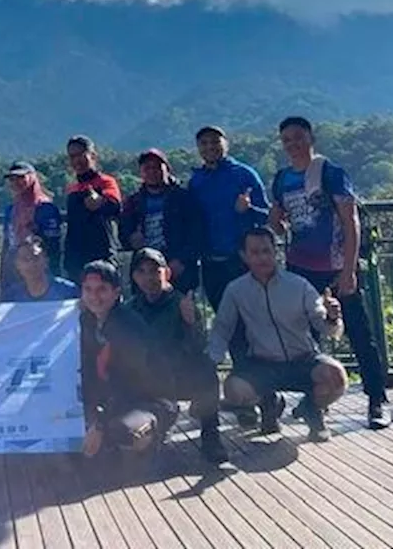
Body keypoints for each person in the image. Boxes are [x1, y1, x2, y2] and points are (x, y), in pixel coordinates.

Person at [269, 116, 392, 430]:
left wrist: (349, 270)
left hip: (336, 267)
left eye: (298, 137)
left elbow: (350, 222)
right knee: (305, 339)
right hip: (300, 267)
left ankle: (377, 399)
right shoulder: (282, 179)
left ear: (311, 138)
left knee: (359, 333)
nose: (293, 144)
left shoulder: (331, 173)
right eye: (287, 140)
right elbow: (280, 223)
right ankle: (314, 401)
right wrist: (275, 221)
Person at [208, 227, 347, 441]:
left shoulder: (299, 285)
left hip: (304, 360)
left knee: (336, 377)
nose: (262, 257)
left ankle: (312, 409)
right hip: (262, 364)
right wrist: (210, 361)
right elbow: (222, 328)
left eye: (266, 251)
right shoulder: (236, 290)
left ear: (276, 252)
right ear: (244, 256)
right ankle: (269, 403)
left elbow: (326, 327)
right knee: (233, 389)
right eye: (255, 252)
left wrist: (332, 316)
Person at [188, 125, 268, 426]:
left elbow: (268, 215)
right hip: (211, 265)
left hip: (241, 263)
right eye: (204, 143)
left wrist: (248, 210)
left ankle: (261, 395)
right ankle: (245, 398)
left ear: (226, 144)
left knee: (250, 329)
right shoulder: (196, 181)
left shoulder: (244, 175)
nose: (209, 147)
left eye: (214, 142)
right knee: (228, 328)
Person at [125, 248, 227, 464]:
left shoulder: (183, 303)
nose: (148, 277)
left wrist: (191, 324)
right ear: (134, 277)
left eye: (154, 271)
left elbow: (200, 347)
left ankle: (211, 436)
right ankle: (150, 433)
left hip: (178, 378)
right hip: (146, 383)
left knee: (206, 371)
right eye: (141, 271)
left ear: (167, 273)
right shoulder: (130, 309)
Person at [78, 260, 170, 459]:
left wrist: (100, 424)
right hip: (109, 400)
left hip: (147, 400)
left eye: (102, 289)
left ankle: (151, 437)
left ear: (116, 292)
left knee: (123, 432)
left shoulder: (128, 325)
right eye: (88, 289)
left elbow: (130, 382)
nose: (94, 296)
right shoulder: (85, 321)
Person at [120, 149, 205, 294]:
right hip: (145, 271)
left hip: (179, 269)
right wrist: (131, 239)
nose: (152, 171)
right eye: (147, 168)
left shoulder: (184, 198)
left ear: (167, 169)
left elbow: (197, 233)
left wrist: (182, 260)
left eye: (157, 167)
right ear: (141, 173)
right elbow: (123, 234)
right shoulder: (133, 202)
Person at [63, 136, 122, 284]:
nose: (77, 160)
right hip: (76, 261)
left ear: (93, 155)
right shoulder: (72, 188)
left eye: (81, 155)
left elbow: (115, 206)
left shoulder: (106, 182)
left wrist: (100, 202)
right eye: (72, 156)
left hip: (102, 255)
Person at [0, 161, 63, 296]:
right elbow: (7, 244)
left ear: (32, 178)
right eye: (12, 179)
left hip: (40, 273)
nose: (16, 182)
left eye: (21, 178)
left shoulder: (46, 208)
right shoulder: (10, 210)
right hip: (13, 273)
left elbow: (53, 246)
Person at [1, 235, 79, 302]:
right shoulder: (10, 296)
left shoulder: (68, 291)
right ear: (17, 265)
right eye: (25, 259)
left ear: (46, 260)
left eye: (35, 257)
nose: (31, 264)